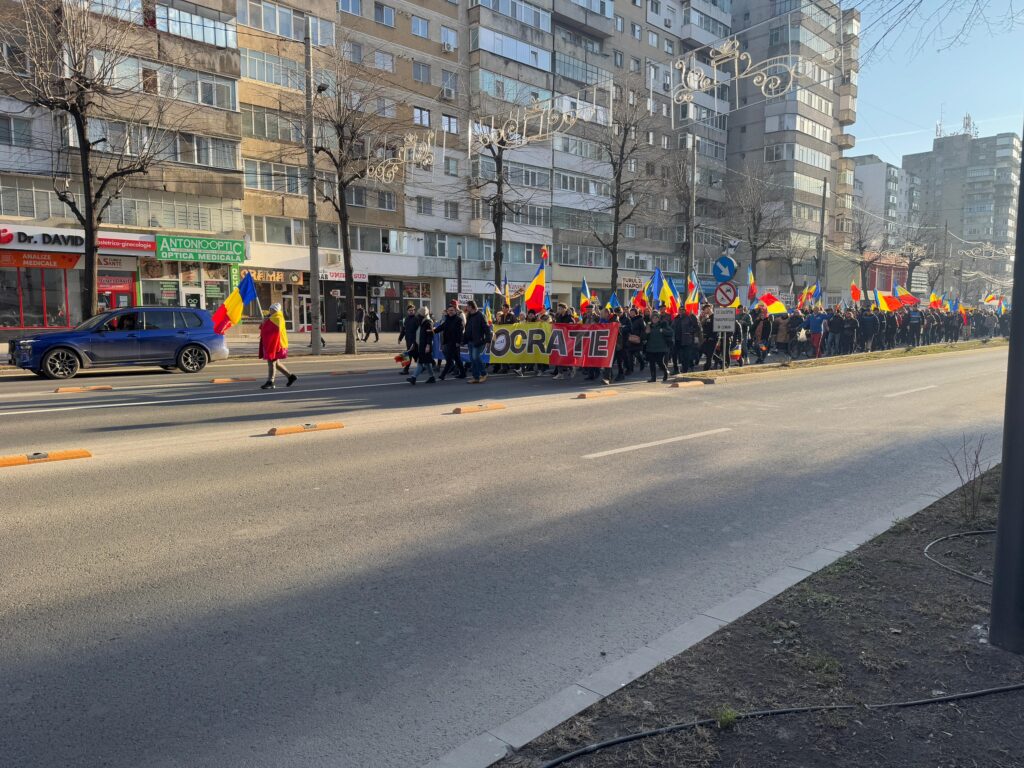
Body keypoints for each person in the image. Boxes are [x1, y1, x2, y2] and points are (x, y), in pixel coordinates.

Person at [258, 303, 296, 390]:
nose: (270, 311)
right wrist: (265, 321)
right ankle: (290, 377)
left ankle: (270, 382)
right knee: (276, 363)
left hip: (276, 344)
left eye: (271, 309)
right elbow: (263, 327)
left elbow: (271, 329)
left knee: (271, 362)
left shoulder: (278, 317)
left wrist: (266, 321)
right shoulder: (272, 317)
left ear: (275, 310)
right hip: (273, 343)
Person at [463, 299, 491, 384]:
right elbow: (468, 328)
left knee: (475, 357)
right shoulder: (469, 316)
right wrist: (464, 339)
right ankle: (476, 377)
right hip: (470, 341)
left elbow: (486, 328)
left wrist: (488, 340)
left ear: (471, 307)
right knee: (472, 359)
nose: (466, 308)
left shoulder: (480, 315)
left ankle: (484, 373)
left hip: (478, 341)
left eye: (467, 306)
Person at [436, 302, 466, 380]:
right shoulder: (448, 319)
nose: (450, 312)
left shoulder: (458, 320)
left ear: (455, 311)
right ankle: (463, 373)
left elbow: (460, 331)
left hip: (455, 342)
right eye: (449, 310)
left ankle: (442, 375)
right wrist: (433, 331)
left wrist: (458, 342)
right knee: (457, 359)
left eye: (452, 310)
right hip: (448, 341)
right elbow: (442, 326)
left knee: (449, 360)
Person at [407, 307, 436, 384]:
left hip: (425, 346)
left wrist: (428, 345)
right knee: (427, 363)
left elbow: (430, 335)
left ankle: (413, 378)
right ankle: (432, 377)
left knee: (421, 362)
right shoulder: (422, 321)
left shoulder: (428, 322)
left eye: (419, 314)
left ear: (423, 314)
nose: (418, 315)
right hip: (421, 345)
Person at [643, 310, 673, 382]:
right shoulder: (649, 325)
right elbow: (644, 337)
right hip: (651, 348)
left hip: (661, 348)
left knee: (660, 362)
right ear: (651, 319)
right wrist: (646, 333)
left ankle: (665, 372)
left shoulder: (663, 325)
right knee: (652, 363)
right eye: (653, 318)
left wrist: (663, 331)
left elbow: (671, 332)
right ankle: (653, 378)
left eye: (656, 318)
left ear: (659, 318)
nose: (655, 319)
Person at [397, 304, 419, 375]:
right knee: (415, 355)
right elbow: (403, 330)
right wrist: (400, 338)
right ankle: (426, 365)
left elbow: (419, 331)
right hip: (408, 340)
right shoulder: (406, 319)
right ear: (407, 311)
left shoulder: (417, 319)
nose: (411, 312)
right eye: (410, 310)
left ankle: (406, 369)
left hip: (414, 340)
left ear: (414, 311)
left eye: (412, 310)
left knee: (408, 354)